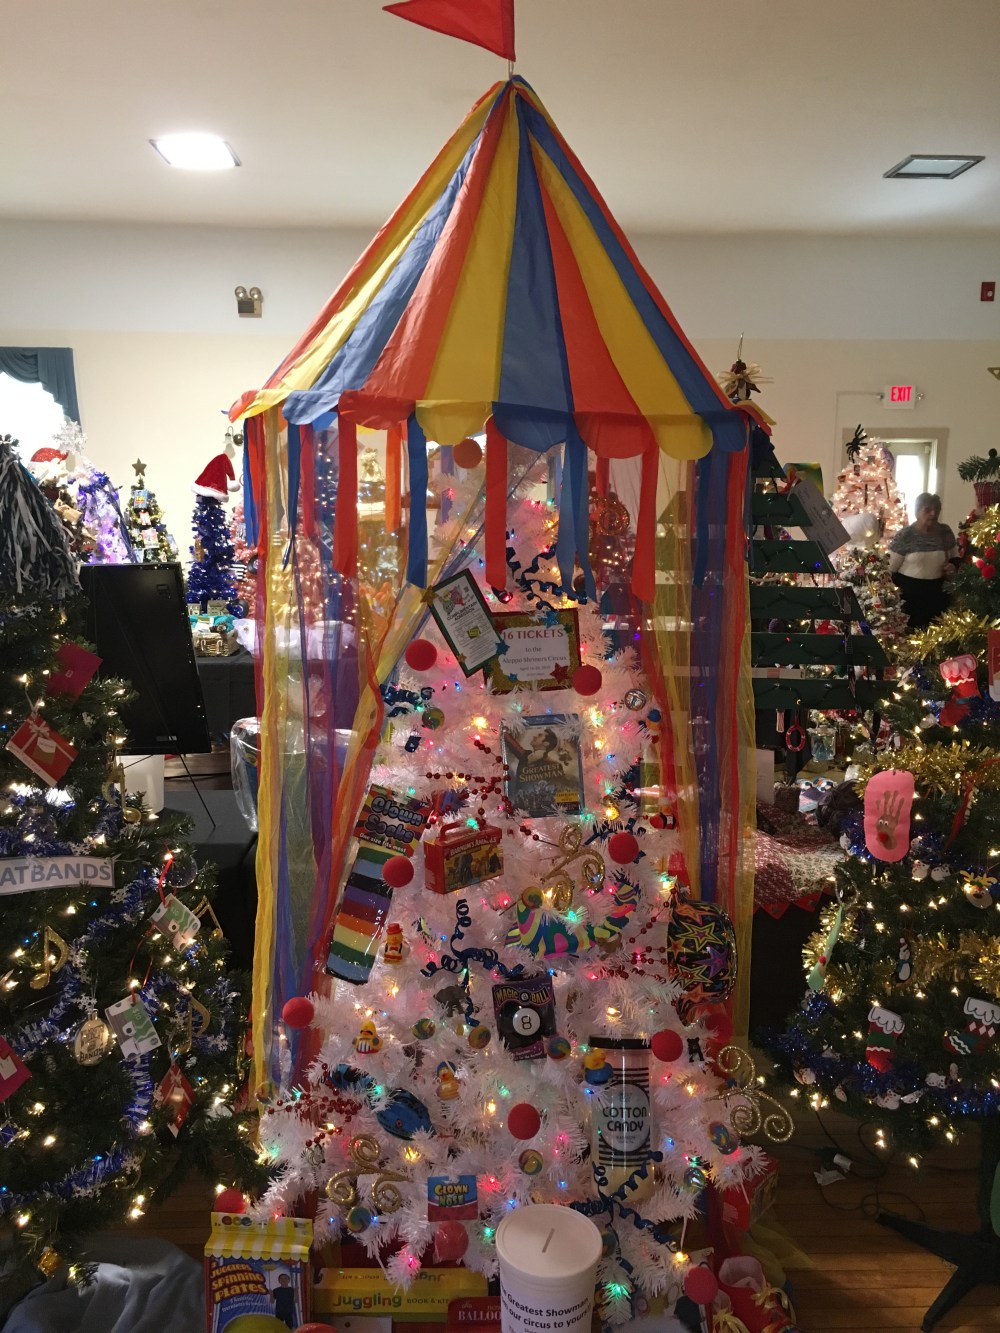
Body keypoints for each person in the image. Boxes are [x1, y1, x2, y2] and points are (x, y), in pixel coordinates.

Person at [888, 493, 958, 629]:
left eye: (936, 509)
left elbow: (955, 556)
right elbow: (890, 568)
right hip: (910, 597)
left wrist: (953, 567)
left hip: (938, 594)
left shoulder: (945, 532)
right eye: (928, 510)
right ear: (917, 512)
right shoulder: (905, 535)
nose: (933, 513)